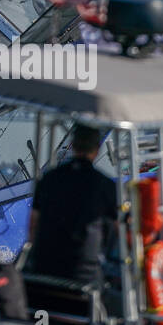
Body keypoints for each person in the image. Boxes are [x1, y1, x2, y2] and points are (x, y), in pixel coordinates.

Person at [27, 124, 118, 289]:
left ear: (73, 146)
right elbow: (118, 228)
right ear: (97, 149)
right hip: (84, 274)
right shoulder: (105, 185)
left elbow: (33, 223)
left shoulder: (49, 179)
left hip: (44, 268)